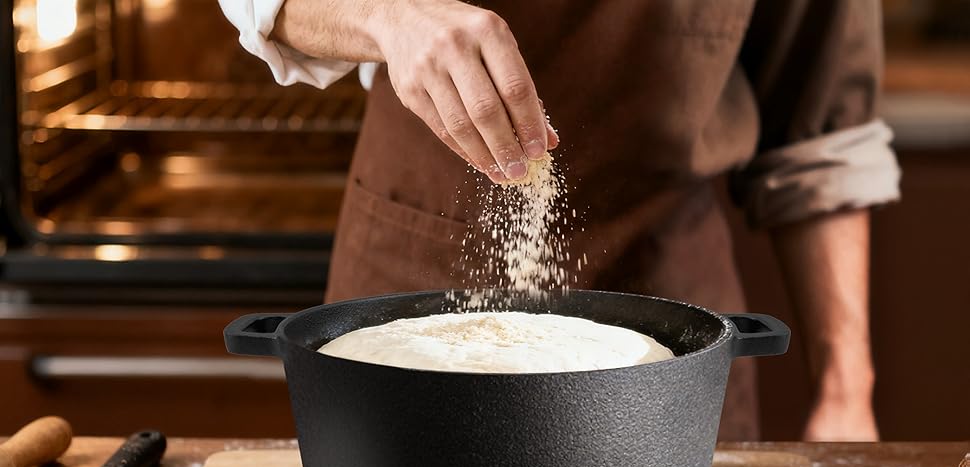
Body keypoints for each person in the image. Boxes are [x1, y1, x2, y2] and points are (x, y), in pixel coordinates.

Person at [219, 1, 901, 441]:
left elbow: (822, 138)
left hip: (671, 303)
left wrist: (846, 391)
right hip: (414, 269)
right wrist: (385, 16)